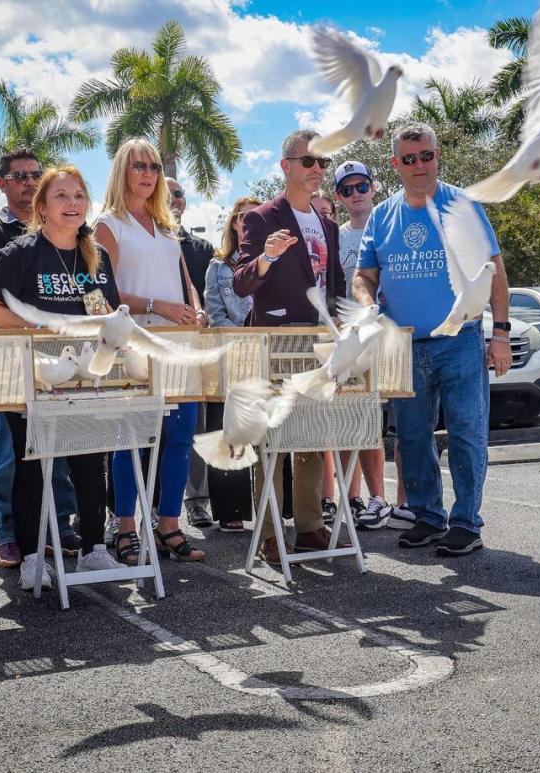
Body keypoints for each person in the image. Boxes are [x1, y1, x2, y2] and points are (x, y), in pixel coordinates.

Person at [353, 122, 511, 557]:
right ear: (395, 164)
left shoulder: (462, 205)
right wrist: (367, 305)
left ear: (437, 156)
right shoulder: (383, 215)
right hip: (402, 345)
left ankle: (466, 522)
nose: (419, 165)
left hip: (459, 341)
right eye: (409, 159)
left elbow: (494, 269)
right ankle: (427, 516)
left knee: (466, 434)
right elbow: (364, 276)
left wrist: (500, 334)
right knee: (413, 439)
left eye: (426, 156)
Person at [0, 165, 124, 589]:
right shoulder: (20, 253)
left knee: (87, 463)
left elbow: (105, 312)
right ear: (41, 207)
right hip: (31, 380)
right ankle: (30, 559)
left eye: (78, 195)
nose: (72, 204)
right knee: (33, 469)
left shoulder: (96, 255)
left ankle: (95, 551)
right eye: (61, 196)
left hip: (85, 378)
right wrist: (38, 329)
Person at [232, 128, 347, 565]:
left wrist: (338, 320)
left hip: (319, 346)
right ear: (286, 166)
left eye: (322, 162)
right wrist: (267, 258)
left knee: (313, 437)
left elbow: (332, 286)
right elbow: (243, 283)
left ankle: (311, 526)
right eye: (309, 161)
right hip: (276, 342)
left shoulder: (328, 226)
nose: (317, 169)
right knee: (272, 440)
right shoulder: (261, 218)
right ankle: (267, 532)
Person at [0, 148, 79, 569]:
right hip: (9, 360)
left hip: (60, 362)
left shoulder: (67, 235)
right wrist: (39, 324)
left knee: (63, 446)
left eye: (35, 175)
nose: (29, 182)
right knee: (11, 451)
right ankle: (9, 533)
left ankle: (61, 527)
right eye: (19, 176)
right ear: (3, 183)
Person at [95, 140, 207, 564]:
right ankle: (125, 529)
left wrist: (194, 309)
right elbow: (102, 292)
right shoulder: (108, 224)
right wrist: (154, 306)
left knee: (179, 438)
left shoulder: (166, 225)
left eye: (154, 167)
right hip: (134, 345)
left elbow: (185, 283)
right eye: (138, 166)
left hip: (177, 346)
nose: (147, 174)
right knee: (132, 440)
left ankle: (169, 527)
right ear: (122, 170)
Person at [323, 161, 396, 530]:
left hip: (390, 336)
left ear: (373, 187)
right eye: (347, 189)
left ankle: (381, 499)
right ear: (338, 196)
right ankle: (351, 499)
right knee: (349, 420)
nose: (356, 194)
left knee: (375, 423)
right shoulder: (334, 236)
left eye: (361, 186)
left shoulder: (390, 226)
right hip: (351, 341)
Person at [203, 197, 259, 533]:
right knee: (228, 433)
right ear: (234, 223)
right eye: (244, 216)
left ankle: (276, 505)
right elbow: (215, 313)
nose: (249, 221)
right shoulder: (218, 266)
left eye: (257, 215)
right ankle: (230, 510)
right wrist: (244, 340)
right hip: (230, 355)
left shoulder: (274, 262)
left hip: (265, 356)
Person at [166, 176, 216, 528]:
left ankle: (197, 501)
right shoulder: (142, 241)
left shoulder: (202, 249)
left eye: (179, 193)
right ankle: (128, 514)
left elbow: (210, 296)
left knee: (193, 428)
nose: (173, 199)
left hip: (193, 349)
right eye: (166, 194)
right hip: (151, 346)